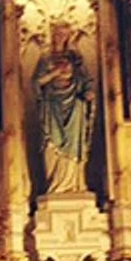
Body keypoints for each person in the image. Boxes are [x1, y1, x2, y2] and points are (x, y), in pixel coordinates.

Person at [31, 21, 95, 194]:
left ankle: (75, 184)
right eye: (57, 34)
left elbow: (87, 80)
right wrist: (55, 73)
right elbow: (36, 82)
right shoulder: (46, 58)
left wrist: (88, 92)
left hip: (74, 106)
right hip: (52, 105)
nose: (60, 38)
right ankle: (55, 185)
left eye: (64, 35)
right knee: (52, 144)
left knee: (74, 144)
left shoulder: (75, 58)